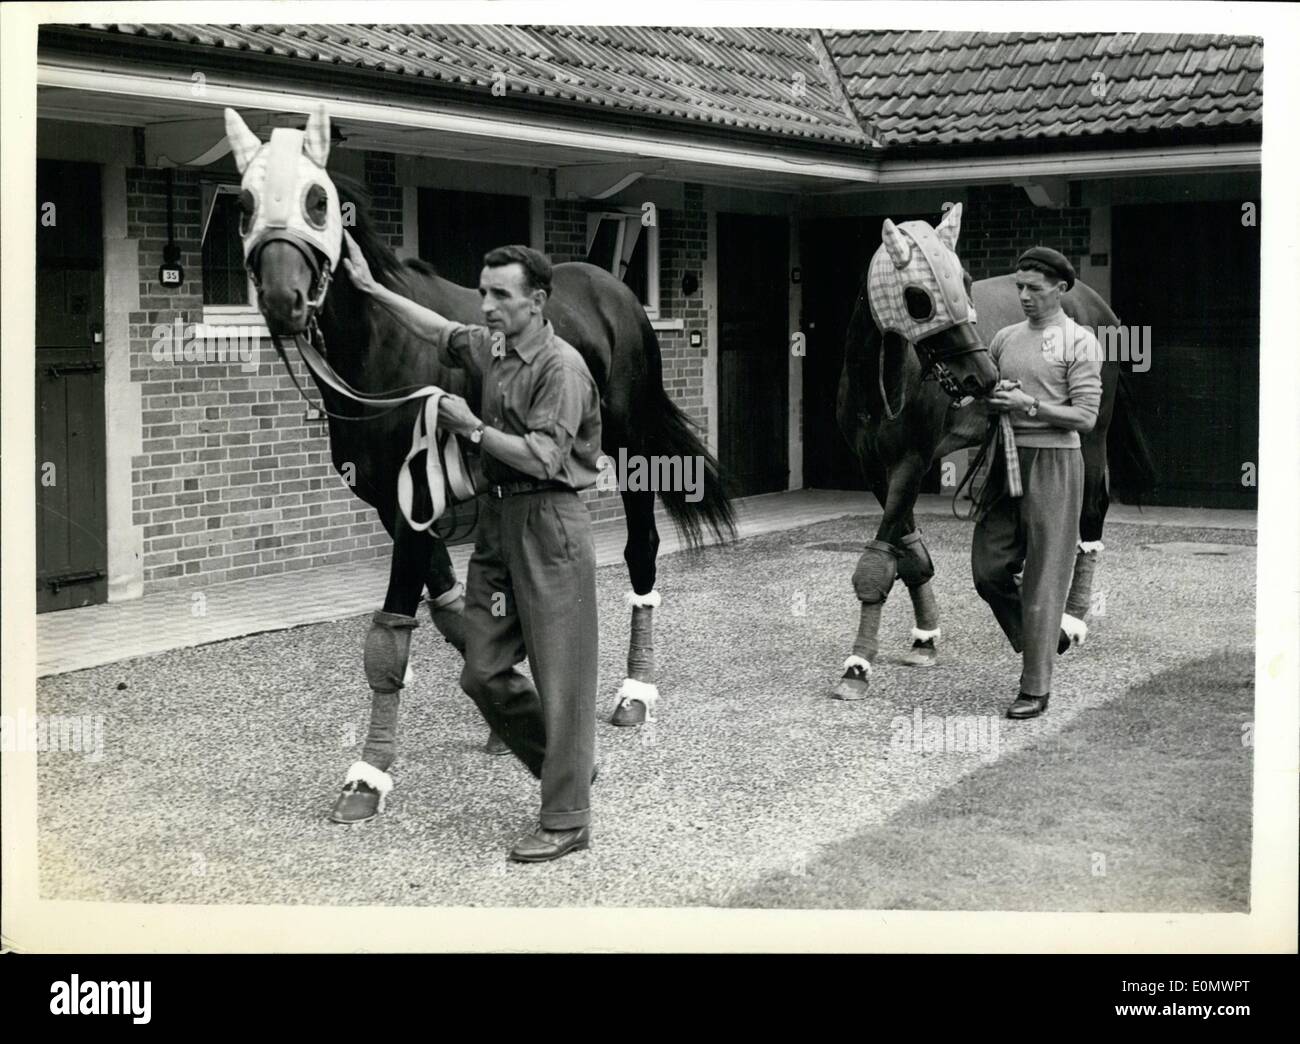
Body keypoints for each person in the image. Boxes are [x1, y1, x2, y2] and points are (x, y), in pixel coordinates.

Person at [343, 233, 603, 862]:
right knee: (482, 669)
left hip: (549, 525)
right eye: (483, 293)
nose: (486, 306)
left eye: (500, 296)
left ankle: (567, 817)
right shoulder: (495, 347)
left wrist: (472, 428)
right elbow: (439, 330)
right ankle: (563, 763)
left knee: (561, 677)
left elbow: (545, 457)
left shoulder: (559, 367)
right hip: (498, 527)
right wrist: (374, 288)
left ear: (537, 301)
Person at [973, 246, 1102, 720]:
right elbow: (987, 401)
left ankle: (1035, 687)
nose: (1024, 296)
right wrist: (991, 403)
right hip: (1004, 461)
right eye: (1019, 287)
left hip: (1056, 464)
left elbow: (1084, 418)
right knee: (988, 571)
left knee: (1045, 581)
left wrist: (1027, 405)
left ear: (1062, 289)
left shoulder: (1080, 342)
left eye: (1035, 288)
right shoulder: (1005, 338)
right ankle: (1046, 641)